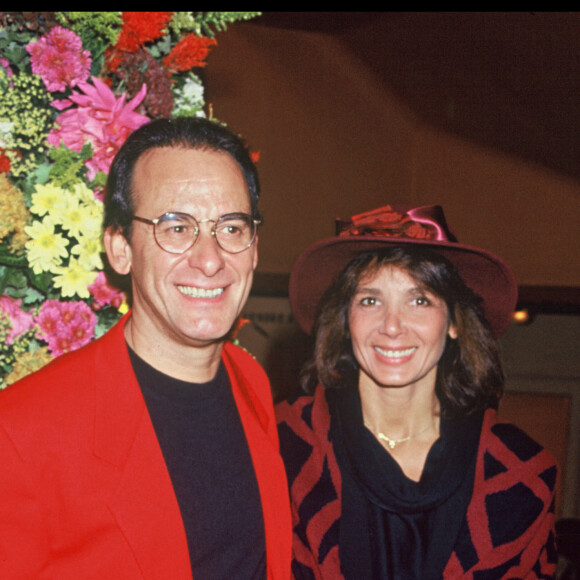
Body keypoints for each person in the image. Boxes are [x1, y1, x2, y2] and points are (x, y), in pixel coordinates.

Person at [0, 117, 291, 579]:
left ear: (254, 248)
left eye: (231, 228)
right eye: (176, 227)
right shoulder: (22, 432)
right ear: (120, 248)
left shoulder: (250, 380)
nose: (211, 258)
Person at [276, 204, 557, 579]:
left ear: (455, 322)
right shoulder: (282, 445)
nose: (392, 326)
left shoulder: (519, 470)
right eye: (370, 301)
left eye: (420, 300)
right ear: (345, 320)